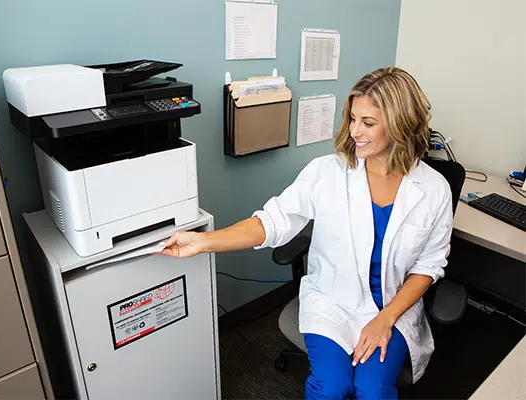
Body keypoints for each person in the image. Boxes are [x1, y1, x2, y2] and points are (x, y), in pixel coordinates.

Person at [159, 67, 454, 400]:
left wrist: (386, 318)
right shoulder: (326, 172)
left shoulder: (433, 189)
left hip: (393, 307)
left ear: (401, 124)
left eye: (368, 123)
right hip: (333, 302)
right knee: (331, 387)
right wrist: (203, 241)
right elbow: (270, 223)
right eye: (352, 118)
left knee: (372, 390)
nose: (354, 131)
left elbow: (429, 265)